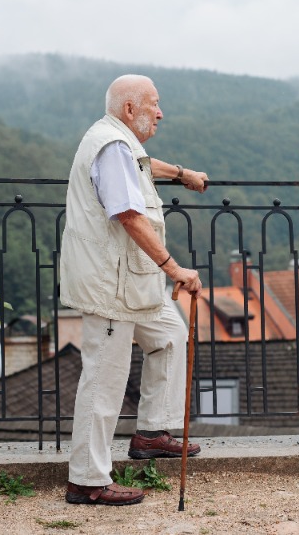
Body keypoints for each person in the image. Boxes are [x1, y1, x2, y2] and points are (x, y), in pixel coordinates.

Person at [59, 74, 208, 506]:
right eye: (153, 104)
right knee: (104, 379)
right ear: (129, 109)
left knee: (170, 335)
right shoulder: (111, 146)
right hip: (111, 283)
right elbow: (129, 214)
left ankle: (151, 433)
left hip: (131, 281)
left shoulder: (119, 143)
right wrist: (174, 269)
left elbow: (141, 166)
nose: (160, 113)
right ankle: (87, 480)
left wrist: (181, 174)